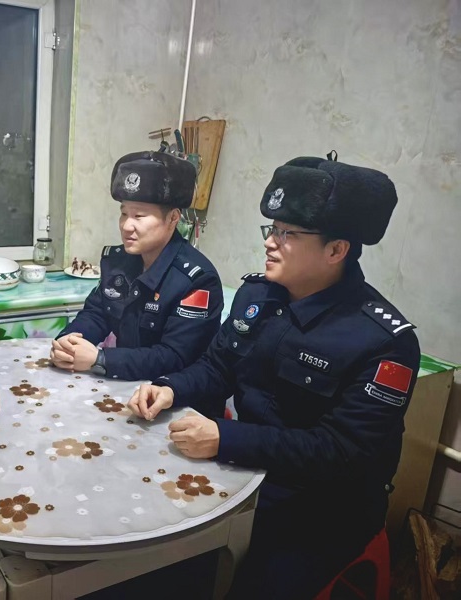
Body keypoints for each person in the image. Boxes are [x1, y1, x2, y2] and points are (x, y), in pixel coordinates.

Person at [127, 154, 421, 599]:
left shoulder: (382, 341)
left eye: (288, 234)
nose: (270, 242)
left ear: (336, 250)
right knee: (152, 550)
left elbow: (341, 452)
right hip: (247, 473)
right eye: (272, 228)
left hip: (321, 507)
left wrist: (226, 438)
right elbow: (218, 366)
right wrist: (169, 388)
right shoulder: (258, 296)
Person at [51, 150, 223, 381]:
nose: (126, 226)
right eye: (124, 213)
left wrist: (101, 359)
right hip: (126, 384)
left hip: (173, 394)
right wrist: (69, 341)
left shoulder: (197, 279)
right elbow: (97, 313)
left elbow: (175, 356)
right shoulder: (119, 262)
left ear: (173, 218)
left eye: (139, 216)